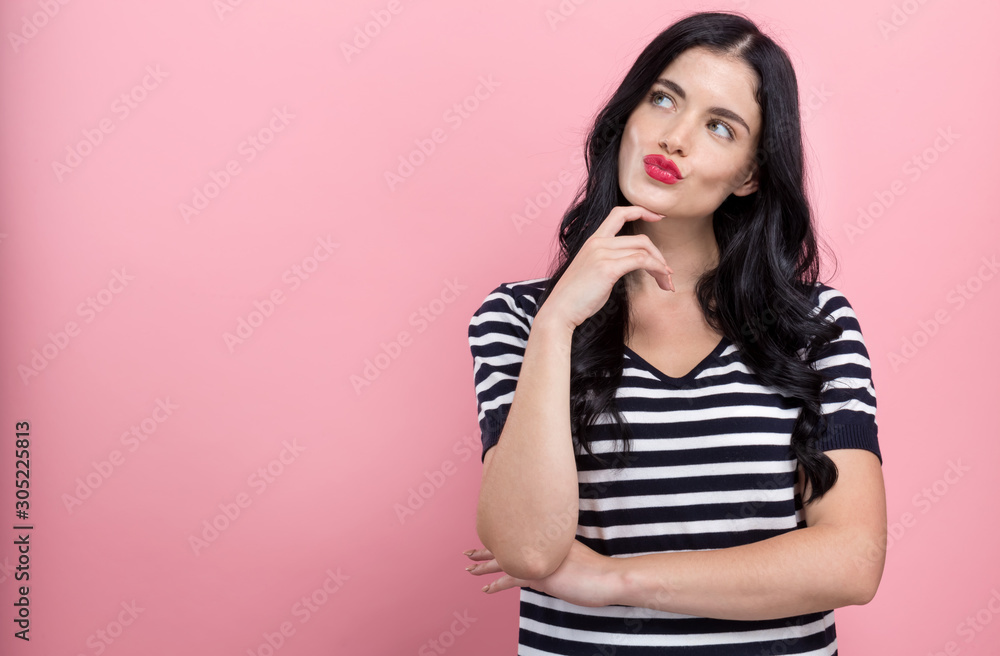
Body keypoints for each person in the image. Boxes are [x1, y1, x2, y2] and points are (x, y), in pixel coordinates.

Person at [462, 10, 886, 656]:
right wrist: (557, 324)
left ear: (749, 173)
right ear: (629, 114)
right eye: (664, 99)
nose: (675, 138)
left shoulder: (814, 326)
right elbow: (524, 545)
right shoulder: (520, 320)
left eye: (720, 127)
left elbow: (851, 561)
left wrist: (612, 579)